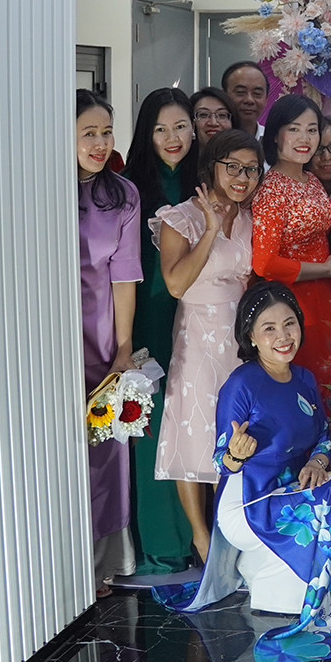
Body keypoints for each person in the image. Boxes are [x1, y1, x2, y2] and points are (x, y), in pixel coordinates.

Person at [155, 281, 331, 662]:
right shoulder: (241, 384)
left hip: (295, 489)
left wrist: (317, 462)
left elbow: (324, 437)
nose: (283, 336)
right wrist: (236, 455)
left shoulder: (304, 378)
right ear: (250, 336)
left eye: (289, 324)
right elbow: (222, 461)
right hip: (250, 501)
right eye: (269, 328)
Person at [154, 127, 259, 565]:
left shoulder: (251, 217)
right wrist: (211, 231)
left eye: (250, 169)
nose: (241, 177)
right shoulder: (180, 217)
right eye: (232, 167)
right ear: (211, 167)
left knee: (233, 430)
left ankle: (228, 532)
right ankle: (201, 539)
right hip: (196, 335)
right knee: (193, 430)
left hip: (239, 339)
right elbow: (176, 284)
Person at [250, 94, 331, 423]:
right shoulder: (271, 188)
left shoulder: (311, 179)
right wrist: (326, 268)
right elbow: (264, 263)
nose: (305, 138)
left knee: (330, 384)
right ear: (275, 134)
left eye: (312, 129)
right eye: (294, 128)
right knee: (308, 386)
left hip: (325, 296)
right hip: (294, 302)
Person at [122, 87, 198, 574]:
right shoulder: (129, 189)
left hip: (197, 317)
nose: (173, 138)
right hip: (147, 317)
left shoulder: (204, 183)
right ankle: (160, 544)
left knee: (192, 423)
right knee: (151, 427)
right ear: (145, 134)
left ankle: (198, 536)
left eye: (181, 127)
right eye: (160, 129)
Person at [77, 90, 141, 594]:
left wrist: (123, 348)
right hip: (45, 335)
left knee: (104, 444)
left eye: (106, 132)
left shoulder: (122, 195)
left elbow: (124, 276)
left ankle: (101, 561)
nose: (100, 144)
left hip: (99, 333)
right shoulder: (33, 186)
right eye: (88, 134)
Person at [220, 61, 270, 136]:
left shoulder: (272, 139)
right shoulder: (212, 137)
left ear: (266, 99)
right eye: (240, 92)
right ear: (224, 95)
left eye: (257, 93)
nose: (249, 100)